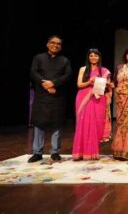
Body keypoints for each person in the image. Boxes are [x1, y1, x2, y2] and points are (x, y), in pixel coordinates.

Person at [28, 35, 72, 163]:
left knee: (56, 124)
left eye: (58, 44)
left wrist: (54, 83)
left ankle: (55, 152)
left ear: (61, 46)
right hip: (42, 95)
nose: (55, 45)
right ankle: (37, 152)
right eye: (53, 43)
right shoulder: (38, 58)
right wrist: (45, 84)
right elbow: (33, 72)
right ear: (47, 44)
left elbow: (68, 75)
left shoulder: (65, 60)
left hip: (57, 96)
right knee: (38, 123)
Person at [72, 48, 113, 160]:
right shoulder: (83, 69)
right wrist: (89, 82)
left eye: (95, 55)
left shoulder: (104, 71)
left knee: (96, 125)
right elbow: (79, 85)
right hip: (83, 97)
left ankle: (92, 152)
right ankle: (80, 152)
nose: (93, 57)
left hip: (98, 98)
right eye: (91, 55)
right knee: (83, 124)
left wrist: (109, 84)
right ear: (88, 57)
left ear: (99, 57)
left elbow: (110, 86)